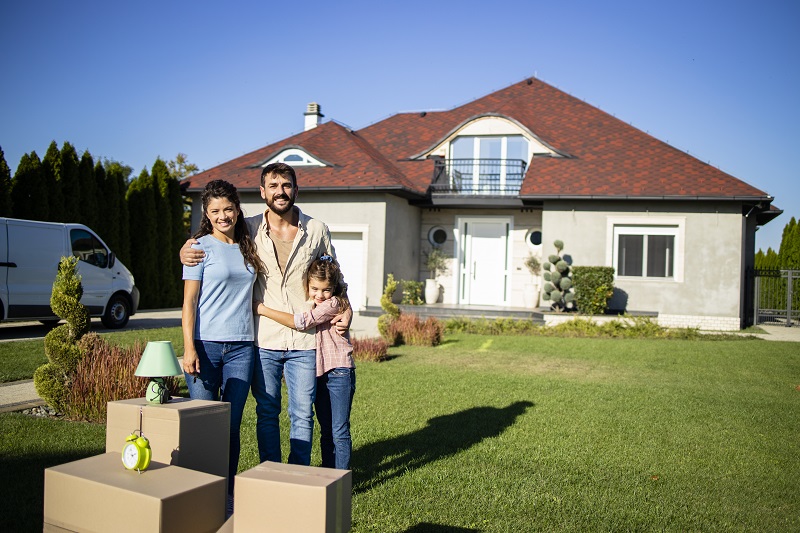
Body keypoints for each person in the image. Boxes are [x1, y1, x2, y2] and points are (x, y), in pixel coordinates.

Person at [180, 162, 351, 466]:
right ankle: (270, 474)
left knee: (302, 415)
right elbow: (216, 236)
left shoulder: (316, 230)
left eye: (286, 185)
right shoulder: (249, 228)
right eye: (273, 186)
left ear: (296, 189)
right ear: (262, 192)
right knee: (267, 413)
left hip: (304, 342)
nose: (280, 192)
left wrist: (346, 308)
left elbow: (336, 277)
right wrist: (186, 249)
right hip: (263, 340)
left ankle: (296, 476)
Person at [181, 179, 263, 515]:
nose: (223, 215)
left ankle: (226, 496)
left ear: (237, 208)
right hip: (206, 346)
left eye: (228, 208)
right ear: (207, 213)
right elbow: (188, 304)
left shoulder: (248, 245)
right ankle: (197, 494)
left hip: (243, 347)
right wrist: (189, 348)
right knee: (202, 424)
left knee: (230, 425)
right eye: (215, 210)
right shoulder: (199, 247)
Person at [254, 255, 356, 469]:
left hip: (338, 372)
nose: (320, 295)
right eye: (315, 289)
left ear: (333, 288)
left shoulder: (333, 303)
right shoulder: (319, 302)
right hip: (320, 373)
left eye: (326, 289)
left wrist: (262, 309)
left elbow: (301, 322)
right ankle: (330, 476)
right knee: (326, 430)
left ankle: (342, 478)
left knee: (339, 430)